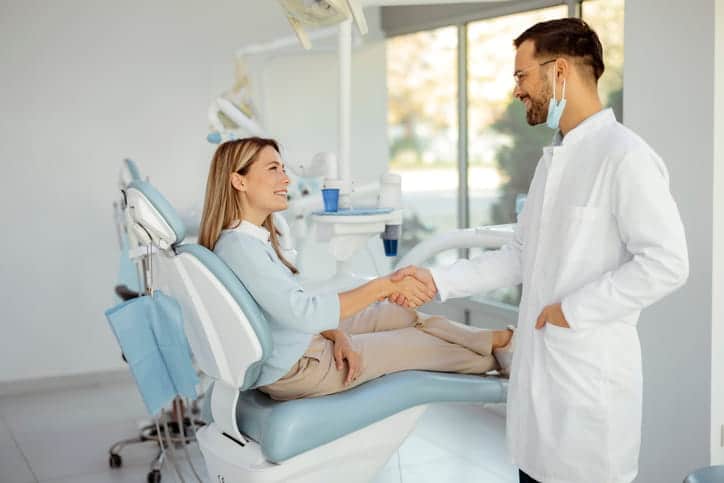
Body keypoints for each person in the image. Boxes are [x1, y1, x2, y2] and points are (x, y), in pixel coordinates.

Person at [391, 18, 689, 483]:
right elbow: (520, 254)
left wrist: (571, 311)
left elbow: (668, 262)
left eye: (521, 75)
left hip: (588, 388)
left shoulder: (625, 156)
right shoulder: (555, 159)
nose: (517, 90)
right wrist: (438, 280)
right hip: (541, 397)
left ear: (560, 71)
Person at [197, 136, 514, 401]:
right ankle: (505, 359)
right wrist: (385, 285)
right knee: (423, 346)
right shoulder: (240, 248)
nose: (286, 179)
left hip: (302, 344)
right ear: (238, 180)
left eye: (283, 168)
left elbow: (285, 312)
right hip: (297, 366)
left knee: (401, 316)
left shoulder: (251, 241)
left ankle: (498, 339)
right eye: (273, 169)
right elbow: (303, 312)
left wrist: (338, 335)